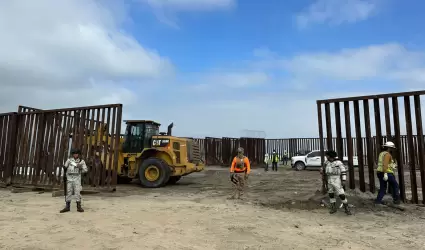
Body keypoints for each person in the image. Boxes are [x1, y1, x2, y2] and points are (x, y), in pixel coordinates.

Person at [323, 150, 351, 215]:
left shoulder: (338, 163)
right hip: (329, 179)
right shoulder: (326, 162)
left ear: (330, 156)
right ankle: (333, 208)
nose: (326, 156)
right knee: (331, 194)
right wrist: (322, 169)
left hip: (337, 179)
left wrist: (344, 180)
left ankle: (346, 208)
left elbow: (343, 171)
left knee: (341, 194)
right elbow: (323, 169)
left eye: (327, 155)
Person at [60, 149, 88, 213]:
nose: (75, 155)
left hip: (77, 178)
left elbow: (85, 170)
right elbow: (64, 168)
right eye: (74, 153)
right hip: (69, 177)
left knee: (77, 192)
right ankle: (67, 206)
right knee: (69, 192)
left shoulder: (81, 161)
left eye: (76, 153)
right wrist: (63, 174)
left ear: (78, 154)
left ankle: (79, 206)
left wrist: (80, 168)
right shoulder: (69, 160)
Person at [375, 141, 400, 205]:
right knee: (396, 186)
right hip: (387, 173)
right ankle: (396, 201)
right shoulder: (387, 154)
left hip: (380, 172)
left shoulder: (381, 153)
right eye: (392, 148)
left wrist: (392, 165)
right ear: (389, 148)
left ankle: (378, 202)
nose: (392, 149)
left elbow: (385, 164)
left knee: (383, 188)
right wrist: (385, 173)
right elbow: (385, 164)